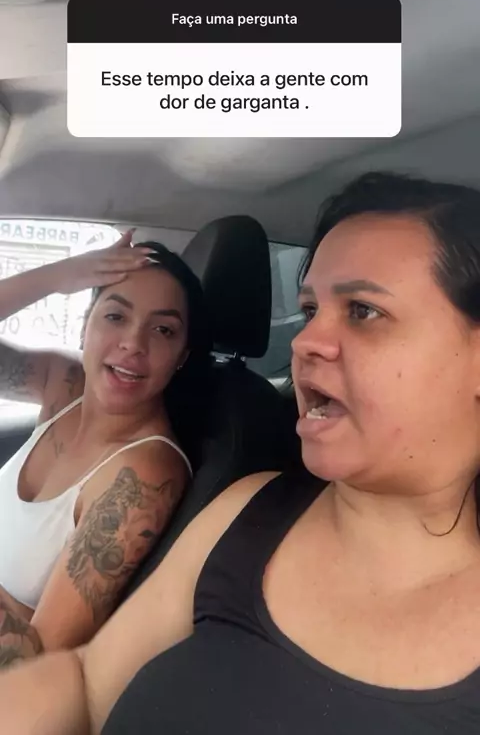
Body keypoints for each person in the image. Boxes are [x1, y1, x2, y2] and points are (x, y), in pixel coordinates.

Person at [3, 170, 480, 734]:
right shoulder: (248, 509)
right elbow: (84, 683)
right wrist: (62, 275)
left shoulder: (148, 471)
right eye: (309, 311)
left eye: (362, 311)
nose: (303, 341)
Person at [0, 230, 211, 667]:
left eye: (163, 329)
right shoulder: (63, 386)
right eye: (115, 316)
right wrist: (57, 276)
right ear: (85, 326)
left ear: (182, 356)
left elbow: (38, 662)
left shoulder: (143, 473)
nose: (133, 344)